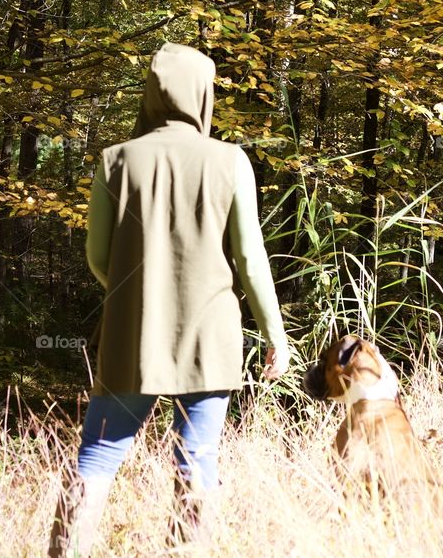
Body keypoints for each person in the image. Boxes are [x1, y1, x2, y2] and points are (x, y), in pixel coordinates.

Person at [48, 41, 291, 558]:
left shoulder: (115, 160)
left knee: (95, 461)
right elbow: (250, 259)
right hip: (210, 339)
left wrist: (138, 298)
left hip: (132, 338)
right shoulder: (231, 161)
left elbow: (97, 256)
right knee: (197, 463)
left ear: (151, 95)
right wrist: (275, 334)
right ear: (203, 94)